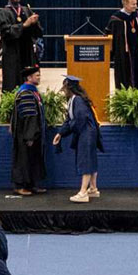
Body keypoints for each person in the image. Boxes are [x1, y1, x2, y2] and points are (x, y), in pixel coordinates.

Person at [58, 76, 100, 204]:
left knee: (85, 160)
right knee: (90, 158)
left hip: (86, 133)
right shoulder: (73, 100)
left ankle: (83, 192)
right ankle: (93, 188)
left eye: (64, 87)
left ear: (69, 88)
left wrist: (70, 129)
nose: (63, 90)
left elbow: (78, 120)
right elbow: (69, 120)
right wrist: (60, 133)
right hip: (86, 132)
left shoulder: (78, 101)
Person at [7, 80, 45, 197]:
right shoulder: (26, 93)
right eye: (37, 75)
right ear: (29, 77)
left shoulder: (31, 92)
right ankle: (20, 186)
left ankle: (31, 185)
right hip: (24, 135)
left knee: (32, 159)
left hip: (31, 134)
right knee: (23, 159)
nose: (39, 78)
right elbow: (29, 116)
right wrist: (30, 136)